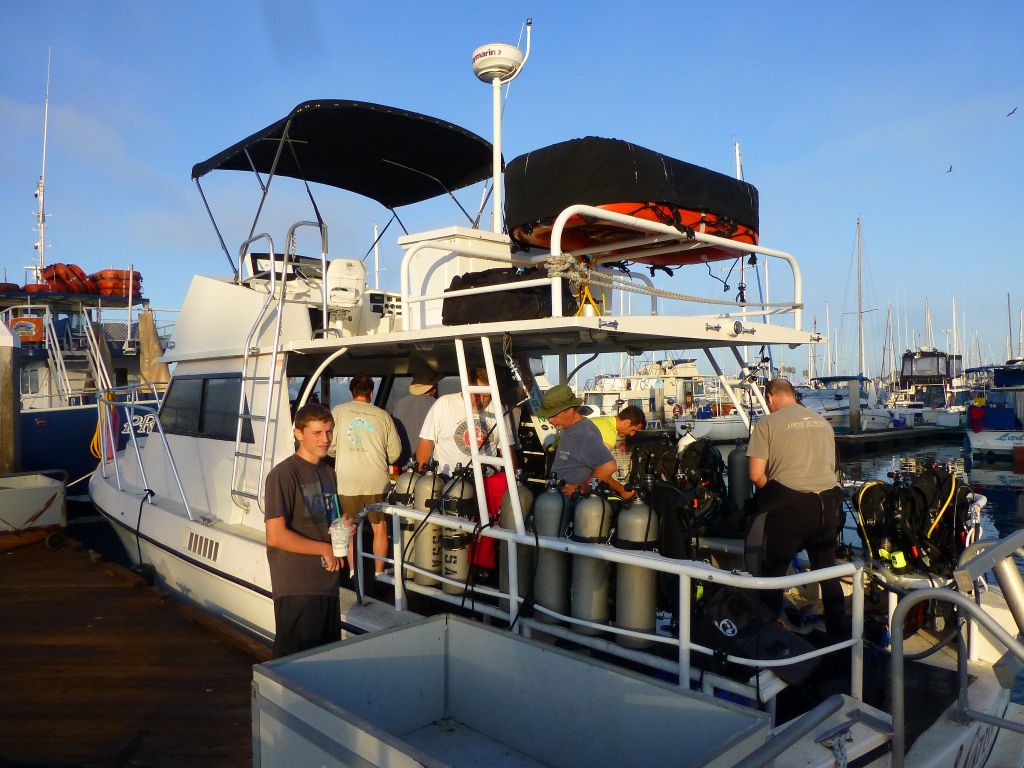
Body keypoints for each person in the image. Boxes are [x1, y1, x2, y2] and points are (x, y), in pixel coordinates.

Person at [746, 378, 845, 634]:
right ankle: (840, 635)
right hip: (827, 508)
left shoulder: (767, 424)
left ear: (769, 398)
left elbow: (756, 476)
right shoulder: (823, 423)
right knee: (826, 570)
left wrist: (775, 494)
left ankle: (767, 638)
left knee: (774, 575)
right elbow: (833, 469)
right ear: (793, 394)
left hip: (791, 511)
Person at [264, 403, 350, 658]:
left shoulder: (327, 472)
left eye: (329, 432)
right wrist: (324, 548)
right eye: (317, 433)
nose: (325, 440)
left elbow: (330, 518)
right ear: (298, 433)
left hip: (328, 584)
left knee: (322, 663)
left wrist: (344, 527)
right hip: (298, 587)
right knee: (294, 665)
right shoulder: (283, 475)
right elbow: (276, 535)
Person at [329, 375, 401, 577]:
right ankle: (379, 573)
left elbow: (330, 446)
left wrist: (342, 452)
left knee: (350, 528)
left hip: (347, 481)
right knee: (379, 528)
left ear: (351, 392)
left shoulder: (339, 412)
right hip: (376, 481)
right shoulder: (383, 415)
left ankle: (353, 572)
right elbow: (394, 453)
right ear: (371, 393)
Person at [539, 384, 634, 500]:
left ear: (569, 409)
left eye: (554, 415)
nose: (550, 420)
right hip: (556, 500)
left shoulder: (585, 433)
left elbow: (608, 466)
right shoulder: (569, 429)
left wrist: (581, 488)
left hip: (572, 507)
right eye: (548, 416)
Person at [416, 366, 512, 476]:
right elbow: (425, 443)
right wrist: (424, 479)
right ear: (466, 387)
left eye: (485, 395)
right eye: (476, 394)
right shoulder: (444, 404)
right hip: (448, 481)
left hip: (488, 480)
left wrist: (512, 481)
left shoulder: (499, 409)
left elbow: (507, 450)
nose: (480, 400)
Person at [392, 362, 440, 468]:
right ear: (433, 387)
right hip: (426, 467)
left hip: (402, 464)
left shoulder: (400, 403)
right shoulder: (437, 405)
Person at [590, 405, 646, 482]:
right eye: (633, 430)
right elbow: (598, 468)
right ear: (627, 422)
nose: (632, 434)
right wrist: (621, 490)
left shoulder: (600, 420)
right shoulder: (609, 432)